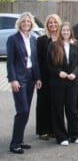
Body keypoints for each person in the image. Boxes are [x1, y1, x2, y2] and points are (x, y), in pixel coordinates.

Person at [7, 12, 42, 154]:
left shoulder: (33, 39)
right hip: (19, 78)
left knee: (26, 111)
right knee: (22, 110)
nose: (26, 23)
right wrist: (13, 79)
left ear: (31, 23)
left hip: (31, 78)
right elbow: (9, 62)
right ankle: (14, 144)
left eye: (28, 21)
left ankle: (20, 140)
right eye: (23, 21)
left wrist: (38, 78)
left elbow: (35, 61)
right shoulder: (13, 39)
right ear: (19, 23)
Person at [47, 22, 78, 146]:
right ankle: (61, 136)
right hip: (58, 83)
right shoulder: (53, 45)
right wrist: (58, 72)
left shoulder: (77, 44)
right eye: (63, 30)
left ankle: (74, 134)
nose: (66, 32)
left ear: (71, 32)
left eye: (68, 30)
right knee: (58, 109)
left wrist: (75, 73)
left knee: (72, 110)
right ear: (60, 32)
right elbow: (49, 65)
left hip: (73, 82)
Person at [36, 14, 61, 140]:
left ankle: (53, 129)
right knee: (43, 103)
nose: (53, 25)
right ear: (47, 24)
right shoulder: (41, 40)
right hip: (44, 77)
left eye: (55, 22)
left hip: (58, 77)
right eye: (50, 23)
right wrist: (38, 78)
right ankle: (43, 130)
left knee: (55, 103)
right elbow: (38, 61)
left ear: (58, 24)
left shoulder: (62, 39)